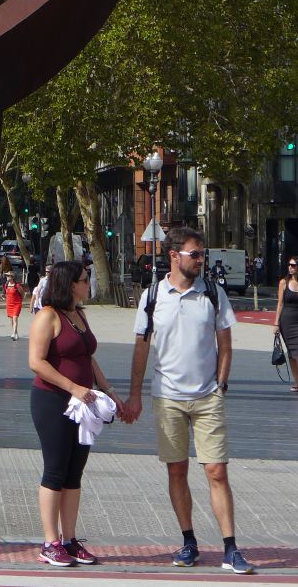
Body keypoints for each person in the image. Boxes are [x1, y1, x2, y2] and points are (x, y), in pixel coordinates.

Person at [122, 227, 253, 575]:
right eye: (195, 254)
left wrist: (220, 384)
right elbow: (141, 347)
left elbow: (225, 343)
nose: (201, 260)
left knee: (217, 470)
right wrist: (134, 395)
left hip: (207, 396)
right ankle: (189, 541)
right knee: (176, 469)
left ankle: (230, 548)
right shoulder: (152, 296)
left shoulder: (212, 292)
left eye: (202, 254)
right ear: (174, 256)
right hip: (168, 398)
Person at [27, 261, 121, 566]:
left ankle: (69, 540)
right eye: (84, 279)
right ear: (69, 284)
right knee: (55, 470)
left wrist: (107, 388)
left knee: (73, 473)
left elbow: (87, 357)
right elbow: (37, 362)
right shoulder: (48, 316)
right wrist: (72, 386)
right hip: (53, 401)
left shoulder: (78, 315)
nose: (87, 283)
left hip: (83, 405)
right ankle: (49, 541)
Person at [272, 256, 298, 391]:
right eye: (289, 265)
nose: (290, 267)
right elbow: (280, 303)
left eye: (293, 265)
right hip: (287, 321)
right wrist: (276, 323)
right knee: (292, 353)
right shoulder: (284, 282)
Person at [2, 260, 25, 340]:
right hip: (9, 304)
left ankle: (14, 333)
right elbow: (5, 294)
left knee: (15, 318)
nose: (8, 277)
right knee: (11, 319)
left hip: (16, 304)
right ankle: (15, 333)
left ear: (12, 277)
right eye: (7, 276)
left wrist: (20, 301)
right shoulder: (6, 285)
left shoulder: (17, 285)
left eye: (9, 276)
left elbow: (23, 294)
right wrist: (4, 297)